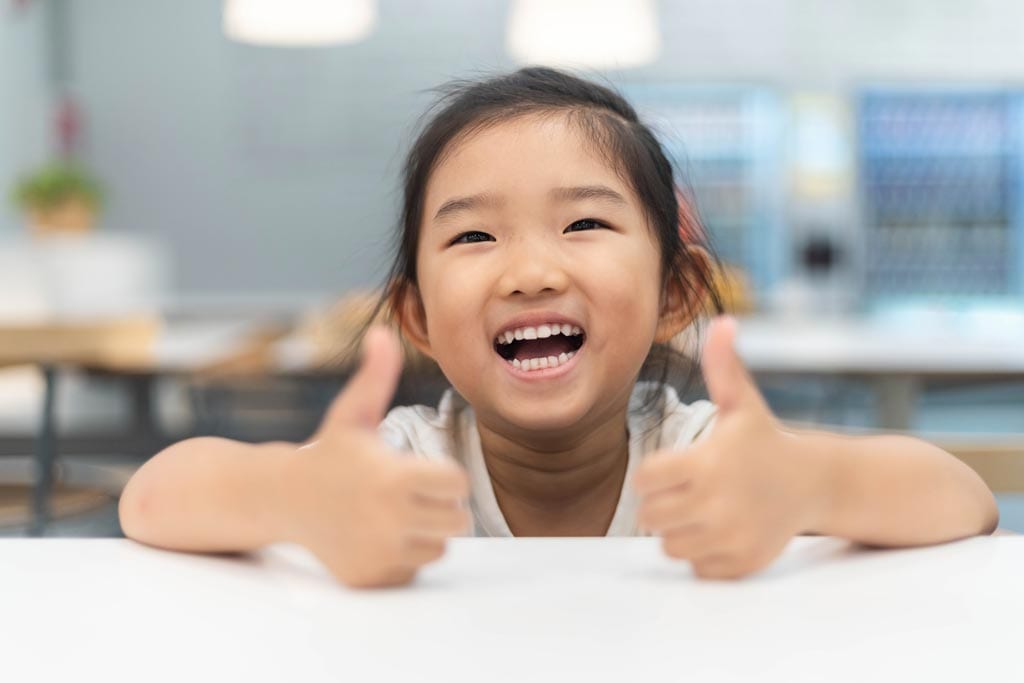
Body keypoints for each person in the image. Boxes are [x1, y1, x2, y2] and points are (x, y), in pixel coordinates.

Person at [119, 67, 998, 588]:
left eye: (584, 224)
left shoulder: (703, 454)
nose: (532, 269)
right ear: (417, 316)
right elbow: (152, 498)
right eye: (473, 235)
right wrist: (292, 497)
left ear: (676, 295)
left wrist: (810, 484)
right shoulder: (405, 467)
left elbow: (964, 499)